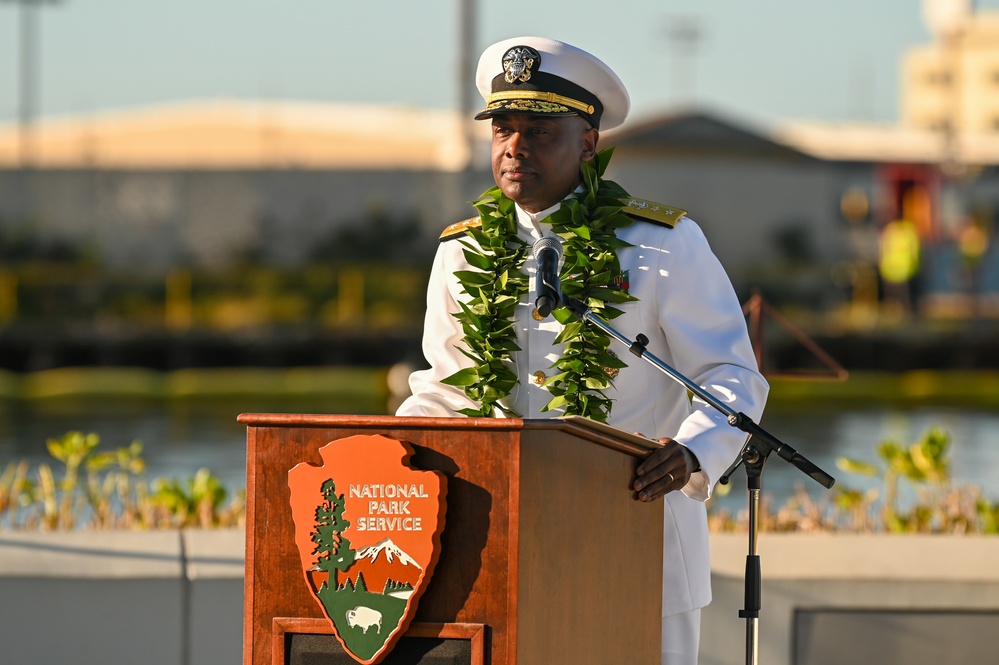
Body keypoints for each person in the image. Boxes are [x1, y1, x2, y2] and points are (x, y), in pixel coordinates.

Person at [396, 36, 769, 665]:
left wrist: (691, 452)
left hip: (637, 534)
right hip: (502, 544)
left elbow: (731, 376)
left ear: (588, 143)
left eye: (539, 131)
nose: (515, 147)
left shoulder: (660, 245)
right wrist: (395, 465)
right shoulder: (460, 253)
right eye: (504, 130)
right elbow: (445, 391)